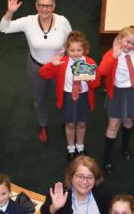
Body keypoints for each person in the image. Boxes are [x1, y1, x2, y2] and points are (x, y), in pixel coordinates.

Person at [0, 0, 72, 143]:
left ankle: (67, 121)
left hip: (59, 66)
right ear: (36, 6)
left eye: (48, 6)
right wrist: (10, 12)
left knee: (64, 95)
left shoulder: (62, 21)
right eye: (41, 5)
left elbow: (71, 40)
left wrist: (65, 54)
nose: (45, 9)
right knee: (39, 99)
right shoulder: (28, 21)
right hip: (37, 67)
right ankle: (43, 125)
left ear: (54, 6)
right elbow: (3, 28)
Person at [40, 31, 101, 161]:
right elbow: (43, 73)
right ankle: (71, 148)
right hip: (68, 96)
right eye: (72, 50)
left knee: (82, 123)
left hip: (83, 96)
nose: (76, 53)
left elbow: (97, 83)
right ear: (67, 50)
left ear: (84, 49)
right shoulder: (62, 62)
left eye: (79, 49)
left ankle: (80, 146)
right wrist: (52, 64)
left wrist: (90, 78)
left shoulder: (89, 62)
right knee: (70, 124)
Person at [97, 26, 134, 174]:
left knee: (129, 121)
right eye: (127, 42)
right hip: (119, 93)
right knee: (113, 125)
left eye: (133, 44)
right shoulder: (111, 54)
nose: (130, 46)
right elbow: (102, 72)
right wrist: (114, 56)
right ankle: (106, 157)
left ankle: (125, 147)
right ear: (120, 39)